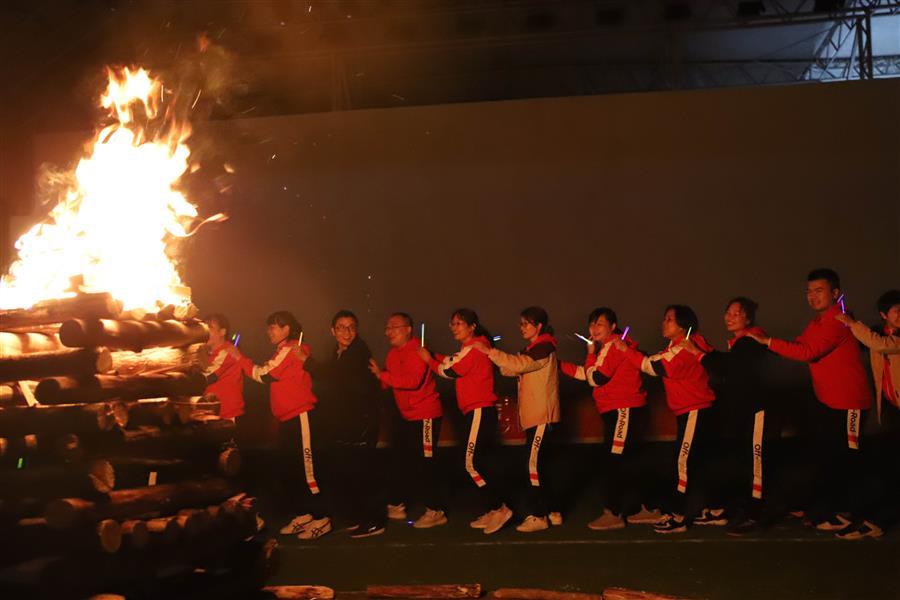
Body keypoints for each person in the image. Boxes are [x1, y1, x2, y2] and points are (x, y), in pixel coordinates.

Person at [748, 268, 872, 534]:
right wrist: (763, 343)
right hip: (829, 402)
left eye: (819, 291)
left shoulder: (838, 320)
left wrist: (768, 341)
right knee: (828, 458)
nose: (812, 296)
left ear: (835, 293)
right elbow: (798, 345)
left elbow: (808, 352)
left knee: (848, 460)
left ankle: (855, 514)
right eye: (809, 291)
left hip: (850, 403)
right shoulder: (818, 322)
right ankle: (830, 509)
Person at [616, 305, 716, 534]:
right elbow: (654, 359)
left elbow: (653, 366)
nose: (663, 322)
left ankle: (679, 515)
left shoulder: (685, 347)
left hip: (695, 410)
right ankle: (710, 509)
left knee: (682, 463)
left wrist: (624, 350)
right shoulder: (677, 347)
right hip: (691, 411)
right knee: (696, 462)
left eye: (669, 319)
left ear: (683, 325)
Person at [682, 297, 777, 535]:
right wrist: (705, 351)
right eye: (728, 312)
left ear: (748, 318)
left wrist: (697, 352)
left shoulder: (751, 341)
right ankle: (741, 509)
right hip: (744, 413)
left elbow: (727, 369)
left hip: (757, 412)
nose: (729, 317)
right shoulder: (741, 342)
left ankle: (755, 515)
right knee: (742, 462)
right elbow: (728, 363)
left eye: (736, 313)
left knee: (756, 463)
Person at [234, 311, 331, 540]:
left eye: (273, 327)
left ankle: (322, 517)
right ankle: (304, 514)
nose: (268, 331)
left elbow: (264, 374)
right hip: (287, 419)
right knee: (291, 468)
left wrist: (239, 358)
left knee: (307, 469)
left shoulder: (290, 349)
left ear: (286, 328)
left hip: (301, 417)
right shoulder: (282, 350)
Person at [418, 309, 511, 534]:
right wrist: (433, 354)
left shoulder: (475, 347)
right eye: (452, 324)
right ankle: (492, 508)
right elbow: (451, 359)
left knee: (471, 463)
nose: (454, 327)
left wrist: (428, 360)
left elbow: (450, 370)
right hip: (476, 411)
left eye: (459, 323)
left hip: (479, 410)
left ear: (472, 326)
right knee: (480, 462)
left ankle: (499, 508)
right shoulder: (469, 348)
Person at [560, 307, 651, 531]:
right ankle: (641, 508)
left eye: (599, 324)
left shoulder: (613, 345)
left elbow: (596, 378)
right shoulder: (607, 348)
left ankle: (614, 512)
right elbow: (588, 373)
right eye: (592, 324)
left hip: (623, 409)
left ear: (612, 326)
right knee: (626, 460)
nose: (594, 328)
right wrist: (558, 365)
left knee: (614, 461)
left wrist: (590, 354)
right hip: (619, 410)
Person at [297, 310, 385, 538]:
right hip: (349, 423)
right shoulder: (340, 352)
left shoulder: (358, 352)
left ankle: (373, 521)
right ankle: (358, 517)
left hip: (362, 422)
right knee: (349, 472)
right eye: (341, 327)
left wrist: (306, 361)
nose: (346, 332)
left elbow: (335, 376)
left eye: (351, 327)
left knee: (362, 473)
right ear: (333, 331)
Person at [475, 306, 561, 533]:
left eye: (526, 323)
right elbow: (511, 369)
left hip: (542, 416)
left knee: (532, 465)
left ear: (538, 326)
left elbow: (520, 364)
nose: (521, 327)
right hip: (535, 417)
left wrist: (490, 352)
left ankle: (538, 516)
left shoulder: (544, 346)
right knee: (540, 465)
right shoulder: (532, 349)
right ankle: (552, 511)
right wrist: (491, 356)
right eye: (521, 323)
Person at [369, 312, 447, 529]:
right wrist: (374, 379)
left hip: (425, 415)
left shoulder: (417, 350)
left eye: (394, 327)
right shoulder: (392, 354)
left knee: (425, 463)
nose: (389, 332)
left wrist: (382, 375)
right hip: (407, 417)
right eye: (387, 328)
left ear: (408, 329)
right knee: (402, 460)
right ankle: (397, 504)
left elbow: (412, 382)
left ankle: (435, 510)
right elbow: (389, 382)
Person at [833, 289, 900, 539]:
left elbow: (880, 345)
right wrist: (846, 322)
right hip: (889, 410)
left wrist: (853, 323)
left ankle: (877, 520)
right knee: (884, 465)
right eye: (897, 310)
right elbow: (862, 342)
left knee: (890, 468)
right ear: (884, 314)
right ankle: (869, 515)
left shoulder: (886, 338)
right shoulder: (877, 332)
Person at [201, 313, 246, 423]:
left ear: (222, 332)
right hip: (210, 411)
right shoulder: (205, 353)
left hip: (227, 413)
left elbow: (209, 376)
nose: (205, 331)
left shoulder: (229, 351)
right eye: (204, 327)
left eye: (210, 327)